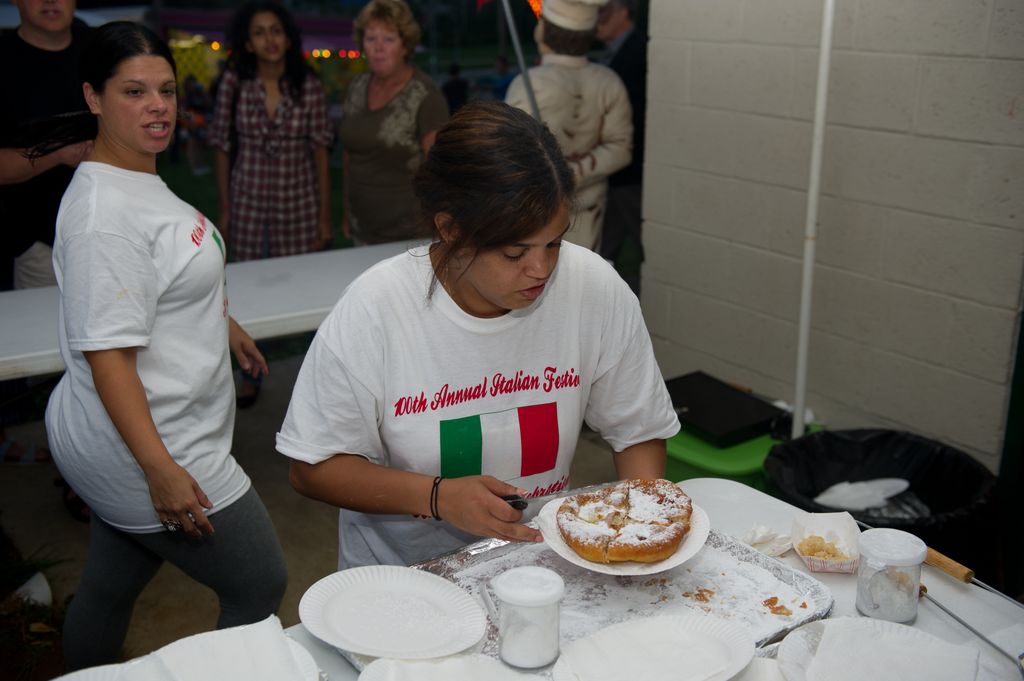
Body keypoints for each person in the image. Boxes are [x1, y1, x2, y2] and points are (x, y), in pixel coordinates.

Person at [277, 101, 679, 570]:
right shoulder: (375, 308)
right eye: (514, 253)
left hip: (537, 566)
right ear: (450, 230)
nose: (541, 269)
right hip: (403, 576)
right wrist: (437, 496)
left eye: (554, 242)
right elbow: (311, 468)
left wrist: (644, 531)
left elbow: (639, 432)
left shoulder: (594, 288)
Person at [35, 22, 286, 670]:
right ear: (93, 97)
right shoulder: (104, 217)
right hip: (153, 446)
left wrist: (220, 322)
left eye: (167, 90)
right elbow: (109, 358)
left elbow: (162, 279)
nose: (158, 106)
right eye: (134, 91)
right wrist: (159, 471)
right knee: (259, 583)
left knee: (111, 582)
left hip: (119, 437)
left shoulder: (132, 175)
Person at [208, 1, 334, 407]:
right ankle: (250, 374)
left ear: (288, 37)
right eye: (259, 32)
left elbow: (321, 152)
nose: (270, 40)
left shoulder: (307, 83)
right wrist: (225, 209)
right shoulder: (234, 81)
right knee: (246, 293)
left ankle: (319, 378)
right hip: (248, 202)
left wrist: (325, 216)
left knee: (308, 293)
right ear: (247, 42)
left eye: (276, 30)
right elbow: (221, 147)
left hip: (298, 203)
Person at [506, 0, 632, 253]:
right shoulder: (609, 81)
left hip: (540, 211)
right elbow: (620, 148)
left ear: (543, 31)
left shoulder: (529, 84)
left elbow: (510, 153)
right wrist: (578, 172)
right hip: (588, 208)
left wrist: (564, 175)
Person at [339, 0, 448, 245]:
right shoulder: (357, 86)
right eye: (371, 39)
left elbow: (440, 171)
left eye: (388, 39)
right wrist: (346, 211)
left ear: (405, 45)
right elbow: (349, 156)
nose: (378, 48)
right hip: (361, 230)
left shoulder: (426, 95)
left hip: (408, 236)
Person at [0, 0, 92, 291]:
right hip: (40, 247)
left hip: (111, 234)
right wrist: (60, 153)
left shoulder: (100, 51)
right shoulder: (4, 61)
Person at [597, 0, 646, 293]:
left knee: (648, 245)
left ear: (623, 11)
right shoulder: (614, 53)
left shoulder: (639, 52)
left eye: (604, 10)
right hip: (613, 175)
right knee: (601, 250)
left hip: (631, 173)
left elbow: (636, 117)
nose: (597, 17)